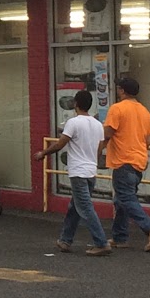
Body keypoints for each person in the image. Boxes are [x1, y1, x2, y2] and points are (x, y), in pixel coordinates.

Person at [35, 89, 111, 255]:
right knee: (75, 207)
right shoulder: (98, 125)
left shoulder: (73, 123)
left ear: (76, 104)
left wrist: (43, 153)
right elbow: (99, 149)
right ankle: (65, 240)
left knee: (84, 207)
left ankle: (101, 242)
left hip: (78, 171)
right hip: (91, 170)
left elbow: (60, 144)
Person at [103, 75, 150, 251]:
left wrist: (96, 150)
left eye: (118, 88)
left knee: (126, 199)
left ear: (122, 91)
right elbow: (148, 141)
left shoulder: (117, 109)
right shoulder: (144, 111)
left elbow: (108, 133)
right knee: (121, 201)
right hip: (139, 161)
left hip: (123, 161)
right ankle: (120, 237)